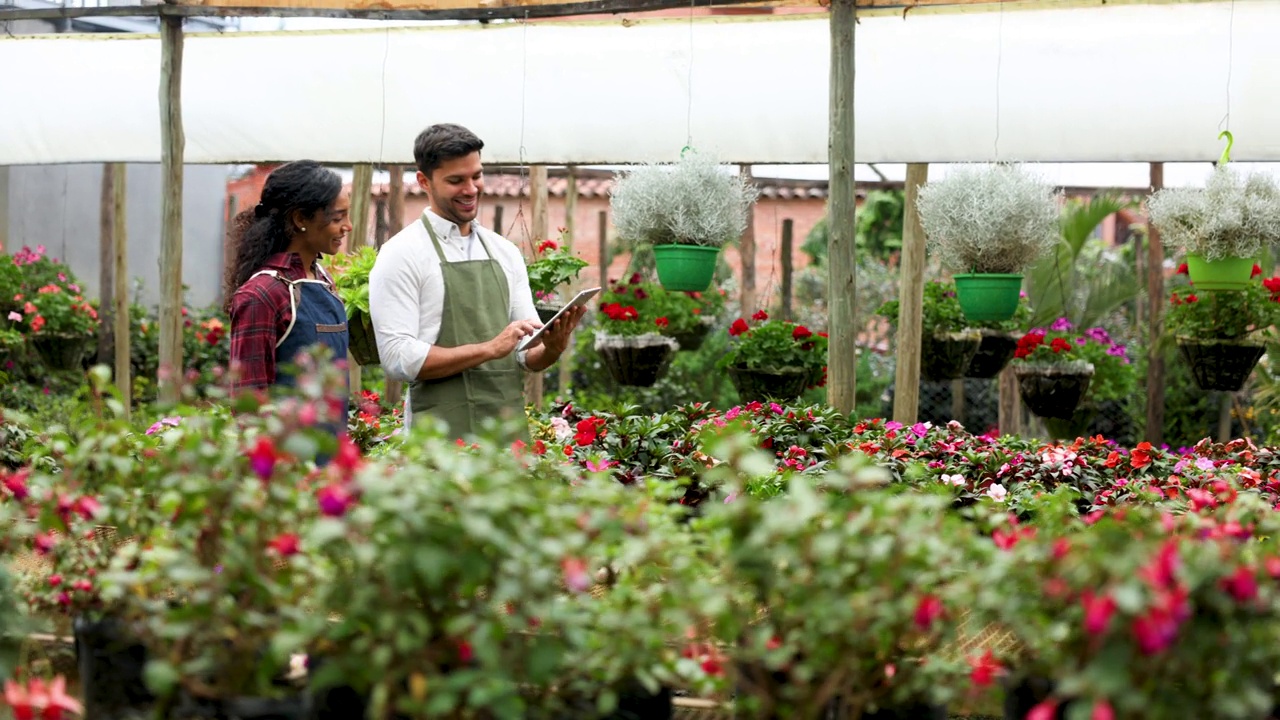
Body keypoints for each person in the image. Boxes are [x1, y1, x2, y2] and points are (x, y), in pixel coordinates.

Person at [369, 123, 585, 443]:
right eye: (456, 180)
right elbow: (399, 358)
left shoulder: (504, 252)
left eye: (476, 176)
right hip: (439, 436)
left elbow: (526, 354)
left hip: (506, 431)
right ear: (424, 181)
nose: (471, 189)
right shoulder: (401, 254)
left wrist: (551, 348)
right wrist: (489, 349)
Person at [225, 160, 354, 437]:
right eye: (337, 218)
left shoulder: (322, 279)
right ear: (300, 219)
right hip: (290, 466)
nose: (348, 226)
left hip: (331, 456)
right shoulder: (263, 294)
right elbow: (249, 409)